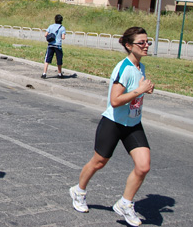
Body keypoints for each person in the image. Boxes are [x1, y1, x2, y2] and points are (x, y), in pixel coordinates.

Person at [69, 27, 154, 227]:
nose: (146, 45)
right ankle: (78, 191)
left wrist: (145, 90)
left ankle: (125, 203)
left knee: (143, 166)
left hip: (133, 124)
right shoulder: (123, 68)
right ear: (128, 45)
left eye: (147, 42)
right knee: (99, 162)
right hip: (113, 123)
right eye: (141, 42)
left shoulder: (139, 66)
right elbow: (115, 101)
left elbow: (135, 91)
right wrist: (138, 91)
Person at [42, 14, 66, 79]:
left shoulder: (51, 26)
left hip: (50, 45)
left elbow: (45, 34)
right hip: (58, 46)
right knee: (59, 59)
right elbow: (63, 37)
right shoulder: (62, 28)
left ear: (55, 19)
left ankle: (44, 73)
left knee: (47, 59)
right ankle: (59, 73)